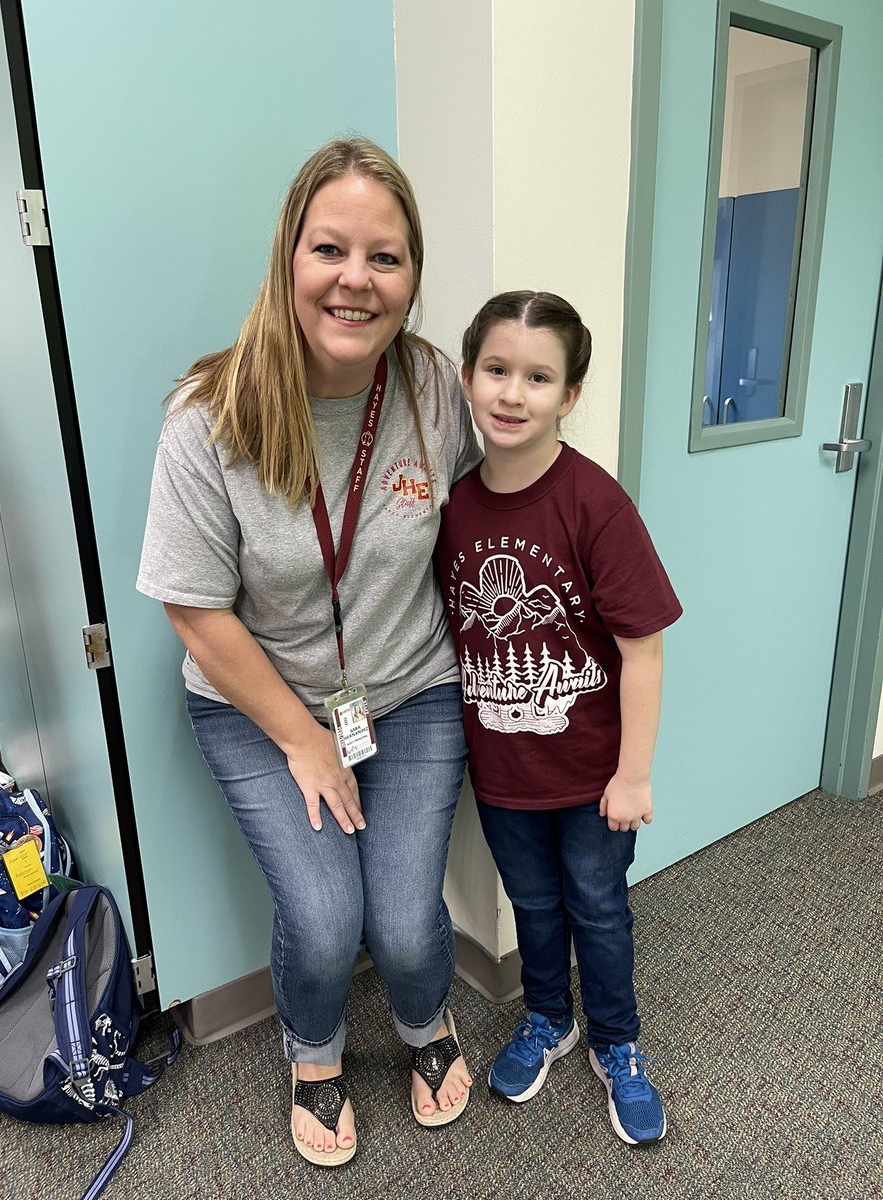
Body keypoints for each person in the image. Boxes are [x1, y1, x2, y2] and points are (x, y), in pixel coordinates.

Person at [137, 138, 479, 1166]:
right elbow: (194, 612)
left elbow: (497, 508)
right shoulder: (211, 416)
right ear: (290, 255)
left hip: (409, 687)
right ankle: (316, 1052)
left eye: (386, 257)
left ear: (413, 276)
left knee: (413, 925)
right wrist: (302, 739)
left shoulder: (433, 389)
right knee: (330, 922)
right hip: (255, 699)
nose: (355, 279)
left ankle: (427, 1024)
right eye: (330, 248)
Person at [436, 291, 682, 1145]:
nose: (513, 394)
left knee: (598, 906)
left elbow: (642, 650)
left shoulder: (595, 505)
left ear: (569, 395)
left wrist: (634, 774)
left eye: (538, 378)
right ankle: (550, 1019)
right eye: (497, 371)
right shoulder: (456, 507)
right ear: (468, 379)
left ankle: (618, 1043)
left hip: (593, 777)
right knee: (534, 907)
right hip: (503, 772)